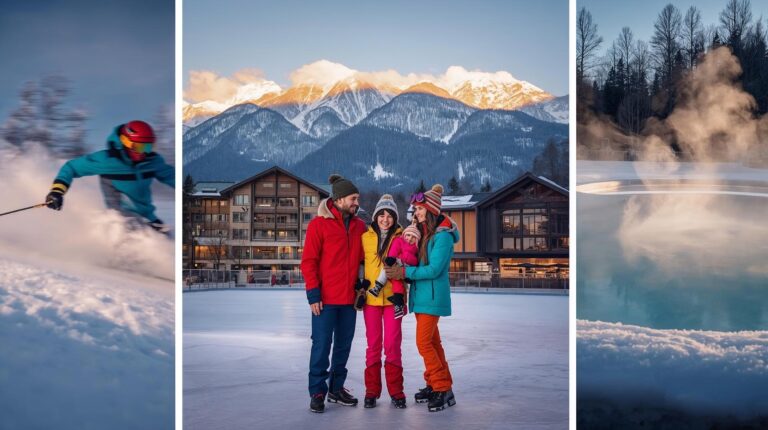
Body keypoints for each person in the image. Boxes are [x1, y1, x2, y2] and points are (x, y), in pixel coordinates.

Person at [385, 184, 459, 412]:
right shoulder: (426, 234)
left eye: (418, 209)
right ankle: (436, 384)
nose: (415, 213)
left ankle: (442, 387)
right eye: (415, 209)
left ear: (430, 209)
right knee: (433, 343)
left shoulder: (442, 237)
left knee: (424, 343)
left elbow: (435, 269)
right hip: (422, 297)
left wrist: (405, 273)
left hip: (432, 297)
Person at [301, 174, 366, 413]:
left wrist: (363, 284)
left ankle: (336, 389)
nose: (357, 202)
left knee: (343, 347)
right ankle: (317, 391)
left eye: (357, 198)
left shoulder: (360, 226)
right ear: (339, 199)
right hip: (325, 300)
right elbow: (308, 262)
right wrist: (313, 294)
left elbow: (364, 260)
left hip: (349, 300)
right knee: (321, 345)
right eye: (353, 198)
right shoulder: (319, 224)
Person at [45, 120, 174, 232]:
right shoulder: (107, 160)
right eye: (140, 147)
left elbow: (173, 177)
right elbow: (71, 167)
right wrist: (57, 191)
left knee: (168, 244)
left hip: (148, 217)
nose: (144, 153)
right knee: (143, 244)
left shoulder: (152, 162)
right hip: (121, 219)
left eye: (149, 147)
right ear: (126, 142)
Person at [360, 194, 408, 409]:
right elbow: (359, 265)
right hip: (371, 299)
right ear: (376, 216)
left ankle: (396, 392)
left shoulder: (401, 238)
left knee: (392, 345)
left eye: (389, 215)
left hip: (393, 300)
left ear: (395, 218)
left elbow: (408, 263)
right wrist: (359, 286)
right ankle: (371, 391)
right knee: (373, 345)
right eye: (382, 215)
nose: (385, 219)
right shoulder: (365, 237)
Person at [370, 223, 420, 319]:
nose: (410, 239)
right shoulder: (399, 240)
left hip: (406, 266)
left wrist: (406, 258)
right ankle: (379, 286)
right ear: (404, 234)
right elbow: (394, 249)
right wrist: (391, 258)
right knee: (388, 271)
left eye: (413, 237)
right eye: (408, 235)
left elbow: (415, 261)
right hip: (396, 262)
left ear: (417, 239)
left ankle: (398, 303)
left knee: (397, 280)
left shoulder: (416, 248)